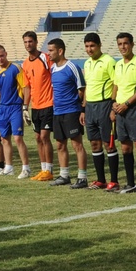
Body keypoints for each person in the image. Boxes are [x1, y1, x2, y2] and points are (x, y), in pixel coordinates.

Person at [111, 32, 136, 193]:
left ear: (132, 44)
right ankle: (131, 183)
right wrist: (113, 103)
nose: (123, 47)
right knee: (125, 148)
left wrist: (127, 103)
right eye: (120, 44)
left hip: (134, 110)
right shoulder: (119, 64)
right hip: (120, 111)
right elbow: (116, 86)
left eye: (125, 43)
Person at [47, 38, 89, 188]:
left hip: (71, 111)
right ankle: (64, 176)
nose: (49, 53)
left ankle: (82, 178)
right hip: (57, 113)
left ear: (60, 51)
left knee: (77, 145)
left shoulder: (72, 67)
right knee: (60, 145)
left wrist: (77, 107)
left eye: (51, 50)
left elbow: (82, 89)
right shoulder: (52, 68)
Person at [82, 33, 118, 190]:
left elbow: (116, 84)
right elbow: (88, 87)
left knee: (108, 144)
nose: (89, 49)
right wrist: (83, 109)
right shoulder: (87, 63)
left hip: (104, 106)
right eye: (87, 46)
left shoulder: (108, 61)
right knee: (94, 144)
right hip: (90, 107)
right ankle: (100, 180)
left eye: (92, 46)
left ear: (99, 45)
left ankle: (114, 180)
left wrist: (112, 106)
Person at [0, 45, 31, 178]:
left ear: (6, 54)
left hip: (15, 107)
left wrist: (25, 106)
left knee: (18, 138)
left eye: (2, 56)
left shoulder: (15, 68)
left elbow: (25, 87)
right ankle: (9, 167)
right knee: (4, 138)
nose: (0, 59)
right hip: (2, 108)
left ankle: (26, 168)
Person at [22, 31, 55, 181]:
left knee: (44, 136)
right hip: (35, 106)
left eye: (30, 41)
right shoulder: (25, 64)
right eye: (26, 42)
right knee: (37, 138)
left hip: (48, 103)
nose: (28, 44)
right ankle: (43, 170)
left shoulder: (45, 58)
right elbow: (27, 87)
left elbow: (55, 75)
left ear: (36, 42)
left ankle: (49, 169)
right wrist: (25, 107)